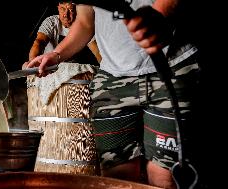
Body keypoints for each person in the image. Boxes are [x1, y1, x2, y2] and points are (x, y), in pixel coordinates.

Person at [25, 1, 201, 188]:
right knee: (117, 180)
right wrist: (57, 54)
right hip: (112, 79)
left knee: (164, 179)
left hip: (171, 68)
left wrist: (160, 14)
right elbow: (86, 21)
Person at [26, 0, 101, 66]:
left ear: (79, 11)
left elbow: (97, 52)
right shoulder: (51, 22)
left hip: (71, 70)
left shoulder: (84, 27)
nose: (66, 15)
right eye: (62, 8)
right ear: (58, 8)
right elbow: (39, 42)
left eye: (71, 10)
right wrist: (32, 63)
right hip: (48, 66)